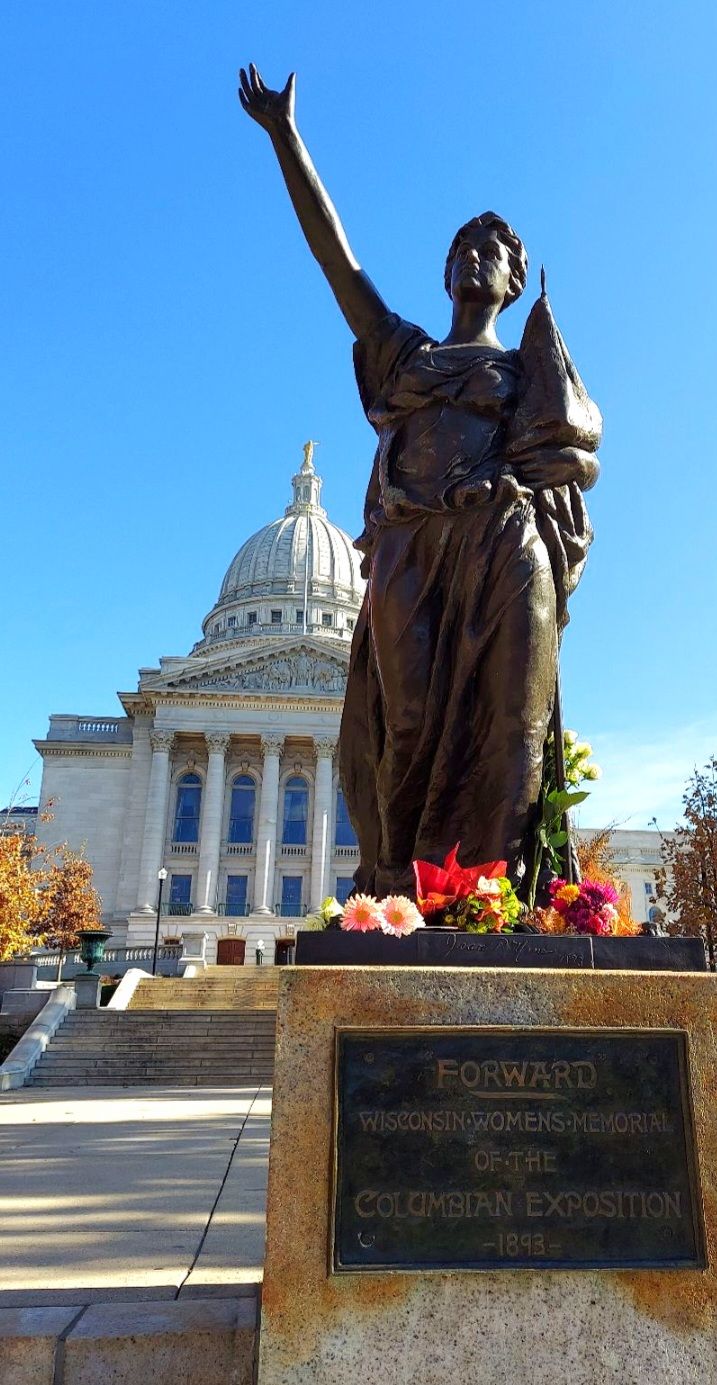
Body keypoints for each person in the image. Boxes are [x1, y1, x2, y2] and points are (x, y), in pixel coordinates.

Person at [240, 66, 601, 898]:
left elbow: (569, 456)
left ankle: (492, 893)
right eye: (463, 249)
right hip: (411, 545)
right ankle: (401, 887)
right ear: (446, 274)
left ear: (513, 282)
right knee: (402, 723)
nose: (478, 257)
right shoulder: (404, 355)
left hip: (505, 541)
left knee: (513, 721)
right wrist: (286, 140)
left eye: (497, 253)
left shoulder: (524, 373)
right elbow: (338, 262)